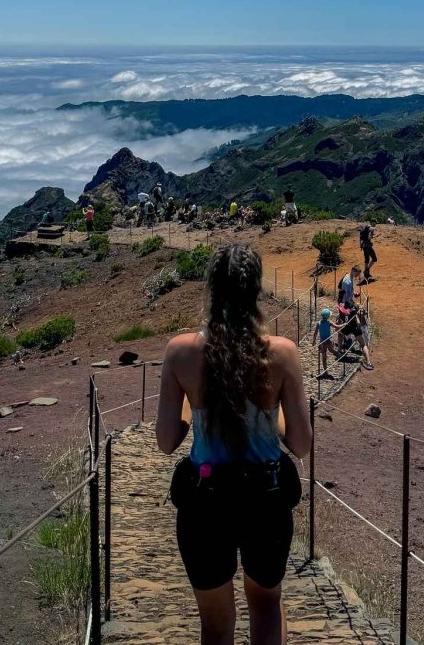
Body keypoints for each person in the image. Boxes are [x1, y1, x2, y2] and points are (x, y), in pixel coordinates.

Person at [156, 244, 311, 645]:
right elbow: (300, 443)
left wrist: (192, 408)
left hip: (204, 501)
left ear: (211, 289)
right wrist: (271, 417)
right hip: (266, 498)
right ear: (256, 289)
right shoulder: (282, 353)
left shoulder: (180, 352)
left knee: (215, 626)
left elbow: (166, 440)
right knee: (266, 605)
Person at [337, 302, 373, 370]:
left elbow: (341, 319)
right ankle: (368, 362)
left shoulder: (344, 312)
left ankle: (339, 351)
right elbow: (358, 323)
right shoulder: (354, 312)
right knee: (363, 344)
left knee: (340, 334)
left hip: (347, 328)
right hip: (355, 328)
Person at [313, 307, 334, 377]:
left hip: (322, 342)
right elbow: (337, 326)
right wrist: (343, 325)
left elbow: (315, 333)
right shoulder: (329, 323)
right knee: (331, 350)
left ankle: (325, 371)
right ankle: (336, 353)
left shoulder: (318, 323)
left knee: (324, 356)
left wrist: (314, 341)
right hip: (329, 341)